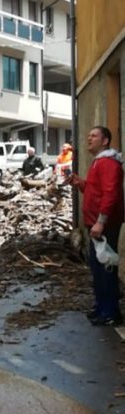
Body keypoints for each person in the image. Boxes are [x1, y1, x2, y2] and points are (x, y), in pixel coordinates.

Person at [69, 126, 124, 326]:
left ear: (105, 141)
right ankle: (102, 306)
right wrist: (80, 183)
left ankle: (111, 313)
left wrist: (100, 222)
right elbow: (95, 191)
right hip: (96, 225)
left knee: (106, 268)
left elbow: (110, 194)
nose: (89, 138)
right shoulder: (99, 162)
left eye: (94, 136)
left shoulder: (108, 163)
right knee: (97, 267)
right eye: (89, 134)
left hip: (104, 225)